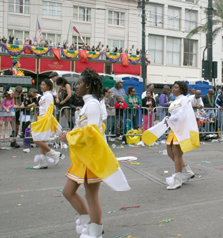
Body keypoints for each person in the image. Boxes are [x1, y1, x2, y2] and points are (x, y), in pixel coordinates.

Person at [60, 69, 130, 237]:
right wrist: (68, 135)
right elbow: (85, 129)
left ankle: (95, 230)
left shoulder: (92, 105)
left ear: (88, 85)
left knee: (91, 197)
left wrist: (69, 136)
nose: (76, 86)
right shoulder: (87, 104)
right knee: (68, 192)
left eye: (80, 83)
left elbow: (92, 133)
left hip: (91, 157)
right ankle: (89, 222)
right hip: (83, 157)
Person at [142, 81, 199, 190]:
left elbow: (183, 115)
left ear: (181, 89)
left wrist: (170, 119)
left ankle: (178, 179)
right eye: (173, 87)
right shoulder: (175, 100)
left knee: (177, 154)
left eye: (176, 87)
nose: (173, 89)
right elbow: (175, 114)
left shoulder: (184, 100)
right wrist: (170, 119)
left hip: (181, 129)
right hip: (174, 128)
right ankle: (187, 171)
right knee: (170, 152)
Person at [31, 79, 64, 169]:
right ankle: (43, 162)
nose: (41, 86)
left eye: (44, 85)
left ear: (49, 86)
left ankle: (54, 154)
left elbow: (49, 109)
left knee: (36, 139)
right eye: (41, 84)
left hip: (45, 119)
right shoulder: (44, 96)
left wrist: (45, 120)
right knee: (42, 140)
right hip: (42, 118)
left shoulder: (48, 96)